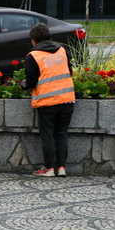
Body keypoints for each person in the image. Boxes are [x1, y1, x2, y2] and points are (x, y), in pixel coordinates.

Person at [23, 23, 75, 177]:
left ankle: (49, 168)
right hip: (67, 99)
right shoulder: (63, 50)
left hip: (47, 101)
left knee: (48, 134)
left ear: (34, 40)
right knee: (61, 133)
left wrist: (23, 84)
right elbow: (70, 71)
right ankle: (62, 168)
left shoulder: (33, 55)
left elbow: (31, 81)